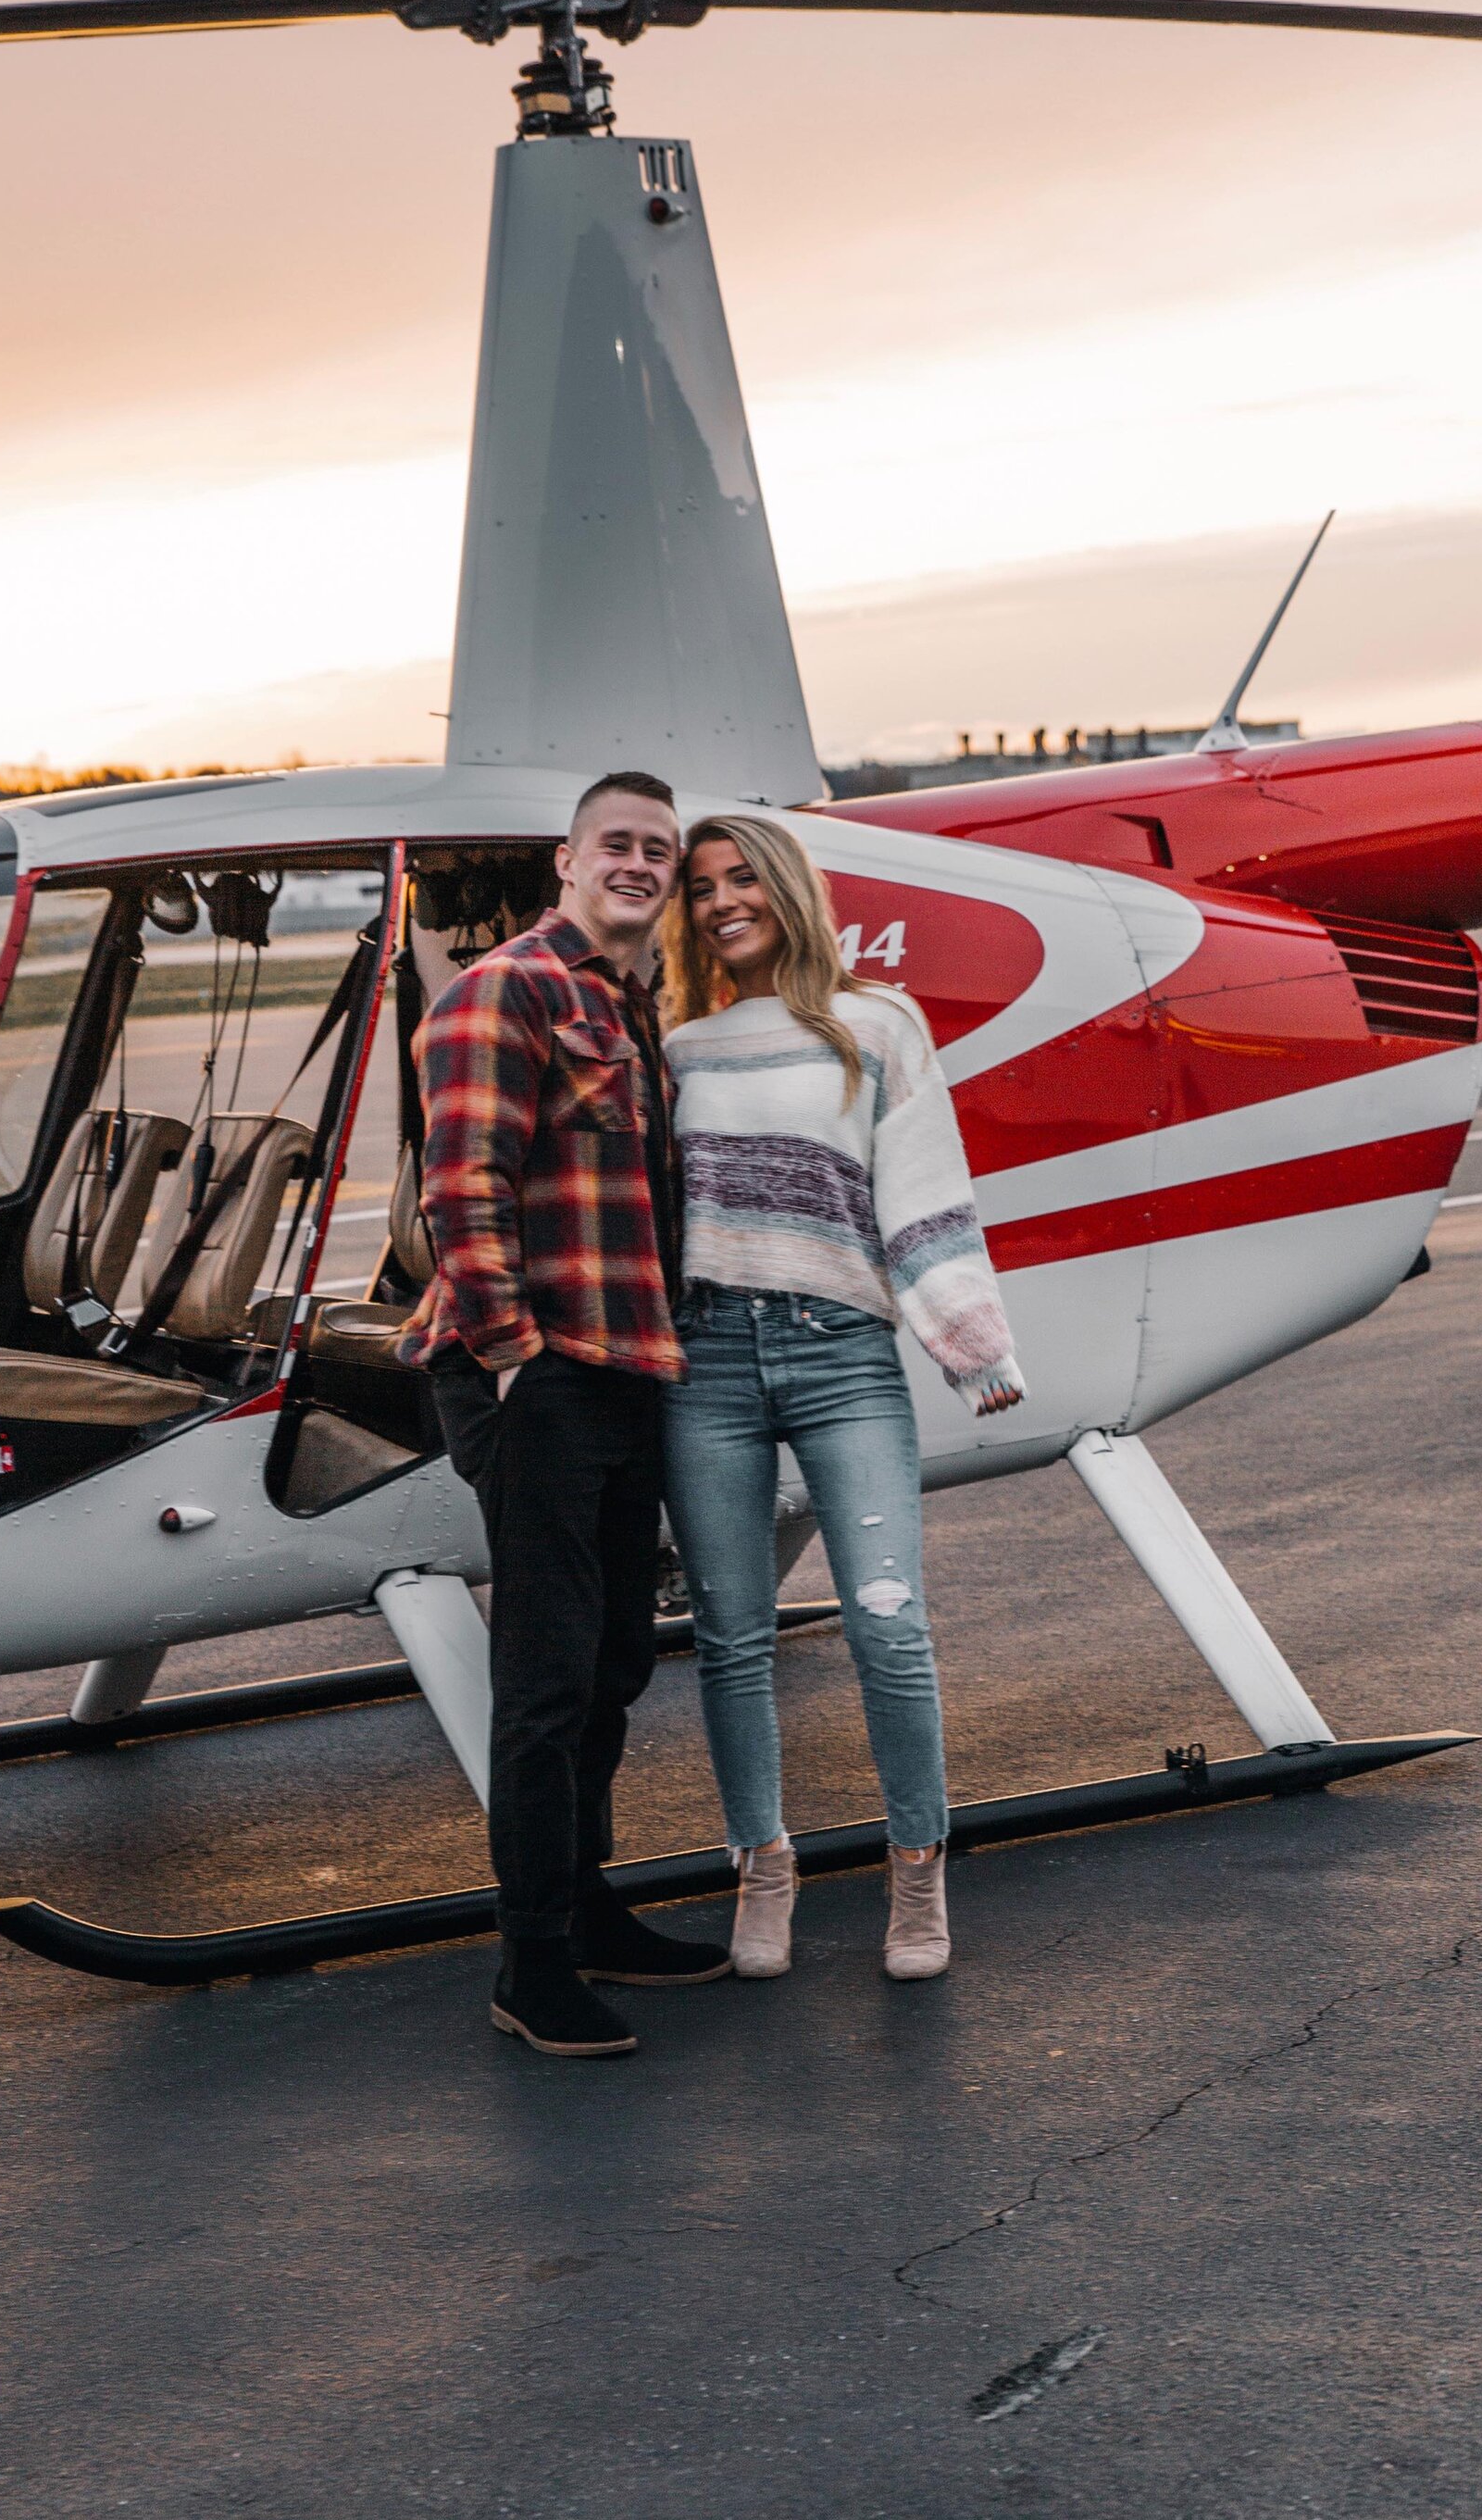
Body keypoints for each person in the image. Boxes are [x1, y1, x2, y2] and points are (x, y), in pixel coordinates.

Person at [659, 813, 1026, 1984]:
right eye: (702, 886)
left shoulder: (878, 1024)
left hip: (841, 1357)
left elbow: (923, 1192)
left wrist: (971, 1346)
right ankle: (763, 1868)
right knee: (730, 1639)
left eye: (742, 878)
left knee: (886, 1623)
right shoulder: (680, 1048)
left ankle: (916, 1867)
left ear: (787, 888)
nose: (722, 901)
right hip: (706, 1360)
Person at [404, 770, 732, 2059]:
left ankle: (588, 1907)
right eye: (619, 844)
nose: (640, 863)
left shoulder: (635, 1003)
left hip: (624, 1364)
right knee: (544, 1676)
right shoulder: (508, 990)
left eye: (660, 848)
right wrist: (508, 1351)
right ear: (568, 859)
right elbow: (460, 1182)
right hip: (537, 1368)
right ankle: (530, 1962)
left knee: (612, 1662)